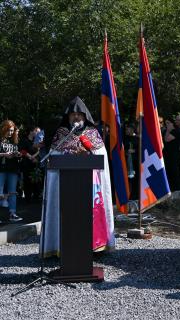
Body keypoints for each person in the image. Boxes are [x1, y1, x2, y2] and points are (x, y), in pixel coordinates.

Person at [40, 97, 114, 257]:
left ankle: (94, 247)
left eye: (79, 115)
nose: (76, 118)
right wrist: (68, 153)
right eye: (72, 115)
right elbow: (55, 156)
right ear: (68, 117)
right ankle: (64, 247)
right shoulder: (61, 134)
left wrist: (87, 153)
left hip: (90, 186)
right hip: (67, 186)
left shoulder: (93, 133)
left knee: (91, 215)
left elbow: (101, 155)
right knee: (67, 215)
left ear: (84, 116)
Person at [0, 120, 23, 223]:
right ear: (3, 128)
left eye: (12, 131)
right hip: (1, 169)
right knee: (0, 193)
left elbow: (19, 152)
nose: (10, 133)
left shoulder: (14, 140)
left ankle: (12, 214)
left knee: (12, 192)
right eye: (8, 130)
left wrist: (18, 155)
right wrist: (4, 155)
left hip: (13, 169)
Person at [20, 126, 42, 202]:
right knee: (27, 181)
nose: (38, 133)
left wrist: (35, 158)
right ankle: (27, 198)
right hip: (27, 164)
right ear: (31, 131)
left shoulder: (37, 142)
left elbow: (40, 151)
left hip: (35, 164)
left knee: (37, 181)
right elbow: (22, 150)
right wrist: (31, 157)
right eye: (37, 131)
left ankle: (36, 196)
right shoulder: (25, 140)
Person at [163, 119, 180, 191]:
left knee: (175, 172)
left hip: (174, 155)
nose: (167, 124)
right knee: (168, 172)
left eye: (168, 123)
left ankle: (177, 188)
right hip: (167, 155)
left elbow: (167, 139)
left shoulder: (176, 131)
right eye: (166, 123)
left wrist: (168, 130)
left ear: (172, 123)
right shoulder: (165, 131)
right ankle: (169, 188)